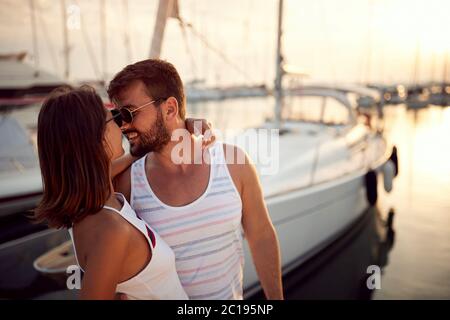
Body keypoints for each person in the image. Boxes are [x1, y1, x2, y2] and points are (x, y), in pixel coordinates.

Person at [109, 59, 284, 300]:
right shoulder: (128, 184)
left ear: (170, 109)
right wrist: (132, 155)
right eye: (118, 116)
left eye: (129, 113)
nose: (123, 126)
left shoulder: (234, 163)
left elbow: (261, 235)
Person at [34, 85, 212, 299]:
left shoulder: (89, 202)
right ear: (97, 139)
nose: (124, 125)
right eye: (115, 118)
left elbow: (98, 169)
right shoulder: (111, 231)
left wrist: (181, 126)